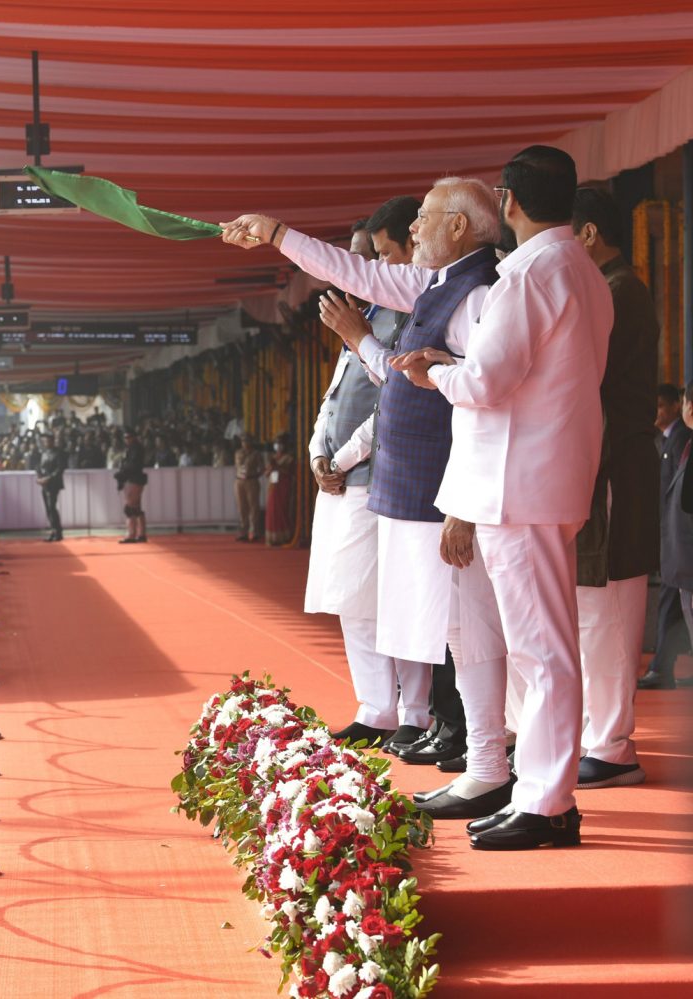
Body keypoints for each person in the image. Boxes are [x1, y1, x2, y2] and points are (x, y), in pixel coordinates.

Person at [223, 177, 512, 822]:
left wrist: (463, 503)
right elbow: (354, 276)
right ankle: (486, 762)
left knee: (477, 631)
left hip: (449, 492)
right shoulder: (435, 285)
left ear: (462, 228)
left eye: (426, 218)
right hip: (418, 489)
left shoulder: (481, 293)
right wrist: (276, 233)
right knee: (457, 633)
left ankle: (493, 764)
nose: (414, 231)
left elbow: (483, 408)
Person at [394, 145, 613, 849]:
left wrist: (435, 372)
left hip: (518, 481)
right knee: (542, 646)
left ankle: (547, 800)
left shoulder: (526, 275)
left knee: (542, 650)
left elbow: (487, 383)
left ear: (509, 200)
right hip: (546, 474)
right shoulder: (583, 269)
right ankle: (539, 792)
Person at [302, 202, 431, 748]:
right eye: (358, 260)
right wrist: (316, 455)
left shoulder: (403, 316)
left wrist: (345, 459)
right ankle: (375, 706)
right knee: (352, 599)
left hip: (379, 476)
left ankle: (415, 712)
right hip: (341, 480)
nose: (359, 271)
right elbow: (333, 400)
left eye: (372, 257)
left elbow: (397, 405)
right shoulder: (368, 316)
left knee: (396, 600)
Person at [569, 187, 659, 788]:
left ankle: (612, 743)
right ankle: (598, 735)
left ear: (589, 235)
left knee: (608, 607)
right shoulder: (613, 288)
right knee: (592, 608)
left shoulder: (619, 291)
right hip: (603, 462)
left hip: (616, 467)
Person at [645, 383, 691, 689]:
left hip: (682, 545)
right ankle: (662, 665)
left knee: (672, 604)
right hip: (674, 543)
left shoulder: (679, 440)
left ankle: (662, 667)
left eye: (663, 405)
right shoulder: (669, 440)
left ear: (677, 405)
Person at [114, 428, 148, 544]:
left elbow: (132, 465)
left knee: (129, 508)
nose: (126, 440)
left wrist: (122, 474)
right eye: (125, 438)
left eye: (128, 437)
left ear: (133, 437)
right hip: (135, 479)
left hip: (133, 479)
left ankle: (131, 535)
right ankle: (141, 534)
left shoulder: (135, 449)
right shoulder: (135, 448)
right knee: (136, 508)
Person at [264, 431, 296, 546]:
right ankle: (272, 537)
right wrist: (271, 467)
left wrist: (277, 466)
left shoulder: (288, 458)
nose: (278, 446)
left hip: (283, 486)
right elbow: (267, 473)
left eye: (280, 443)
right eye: (276, 443)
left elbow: (290, 472)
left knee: (281, 510)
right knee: (272, 510)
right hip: (273, 485)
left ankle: (283, 536)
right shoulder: (273, 457)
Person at [35, 431, 67, 542]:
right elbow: (39, 466)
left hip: (54, 484)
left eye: (48, 440)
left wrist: (48, 478)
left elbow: (60, 469)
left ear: (53, 441)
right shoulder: (44, 453)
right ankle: (54, 530)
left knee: (52, 507)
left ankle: (57, 531)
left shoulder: (58, 453)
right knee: (48, 508)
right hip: (45, 484)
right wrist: (39, 477)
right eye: (45, 441)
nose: (46, 443)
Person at [233, 433, 264, 542]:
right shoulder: (238, 453)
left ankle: (255, 531)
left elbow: (262, 468)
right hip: (239, 481)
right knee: (242, 507)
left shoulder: (256, 454)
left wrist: (256, 475)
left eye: (247, 441)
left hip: (251, 480)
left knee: (253, 506)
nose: (245, 443)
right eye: (243, 441)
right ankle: (243, 531)